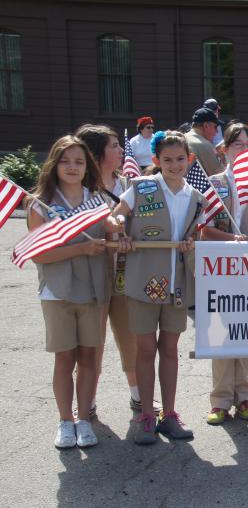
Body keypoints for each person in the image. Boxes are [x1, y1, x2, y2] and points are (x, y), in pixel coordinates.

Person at [113, 130, 204, 444]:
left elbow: (195, 235)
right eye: (167, 159)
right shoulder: (142, 187)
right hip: (143, 281)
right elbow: (116, 216)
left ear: (189, 159)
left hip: (176, 284)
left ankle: (169, 414)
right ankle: (146, 416)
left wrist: (191, 243)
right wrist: (121, 233)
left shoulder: (196, 197)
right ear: (156, 160)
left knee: (169, 349)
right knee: (145, 349)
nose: (174, 165)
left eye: (180, 159)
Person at [27, 135, 115, 448]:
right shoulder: (41, 203)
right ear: (53, 164)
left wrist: (119, 228)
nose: (72, 167)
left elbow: (112, 228)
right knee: (64, 359)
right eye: (65, 161)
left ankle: (84, 419)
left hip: (92, 291)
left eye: (79, 161)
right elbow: (39, 255)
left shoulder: (97, 200)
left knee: (89, 357)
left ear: (87, 166)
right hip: (57, 292)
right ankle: (65, 421)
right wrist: (81, 249)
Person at [74, 124, 160, 417]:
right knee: (91, 343)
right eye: (113, 145)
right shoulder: (80, 191)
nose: (122, 150)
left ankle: (138, 396)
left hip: (128, 274)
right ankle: (87, 402)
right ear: (96, 153)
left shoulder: (130, 186)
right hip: (92, 275)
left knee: (132, 338)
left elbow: (147, 224)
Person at [200, 123, 248, 424]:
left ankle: (244, 396)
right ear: (225, 149)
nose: (244, 150)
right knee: (221, 334)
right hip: (220, 269)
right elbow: (205, 230)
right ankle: (220, 400)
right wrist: (233, 239)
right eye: (238, 144)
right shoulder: (214, 184)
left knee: (244, 332)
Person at [186, 107, 225, 176]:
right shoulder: (205, 145)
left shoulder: (182, 138)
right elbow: (220, 175)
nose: (216, 132)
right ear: (206, 126)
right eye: (215, 127)